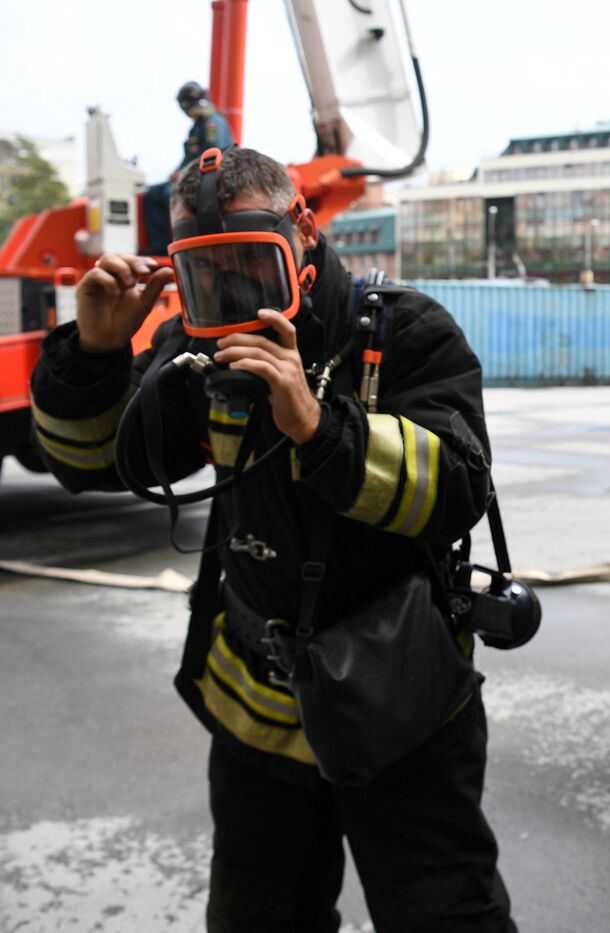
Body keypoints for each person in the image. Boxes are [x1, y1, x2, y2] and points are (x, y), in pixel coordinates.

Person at [29, 146, 513, 933]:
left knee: (443, 910)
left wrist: (323, 430)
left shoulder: (406, 332)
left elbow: (456, 488)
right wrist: (93, 353)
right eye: (203, 273)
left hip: (401, 702)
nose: (229, 296)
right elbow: (90, 462)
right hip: (257, 702)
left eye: (250, 264)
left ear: (302, 231)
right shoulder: (197, 345)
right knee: (256, 915)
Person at [143, 82, 235, 256]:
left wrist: (184, 172)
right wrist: (177, 171)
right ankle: (160, 246)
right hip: (189, 174)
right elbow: (189, 157)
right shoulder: (196, 127)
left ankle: (181, 242)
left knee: (169, 194)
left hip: (209, 177)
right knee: (152, 194)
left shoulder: (212, 123)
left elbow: (214, 155)